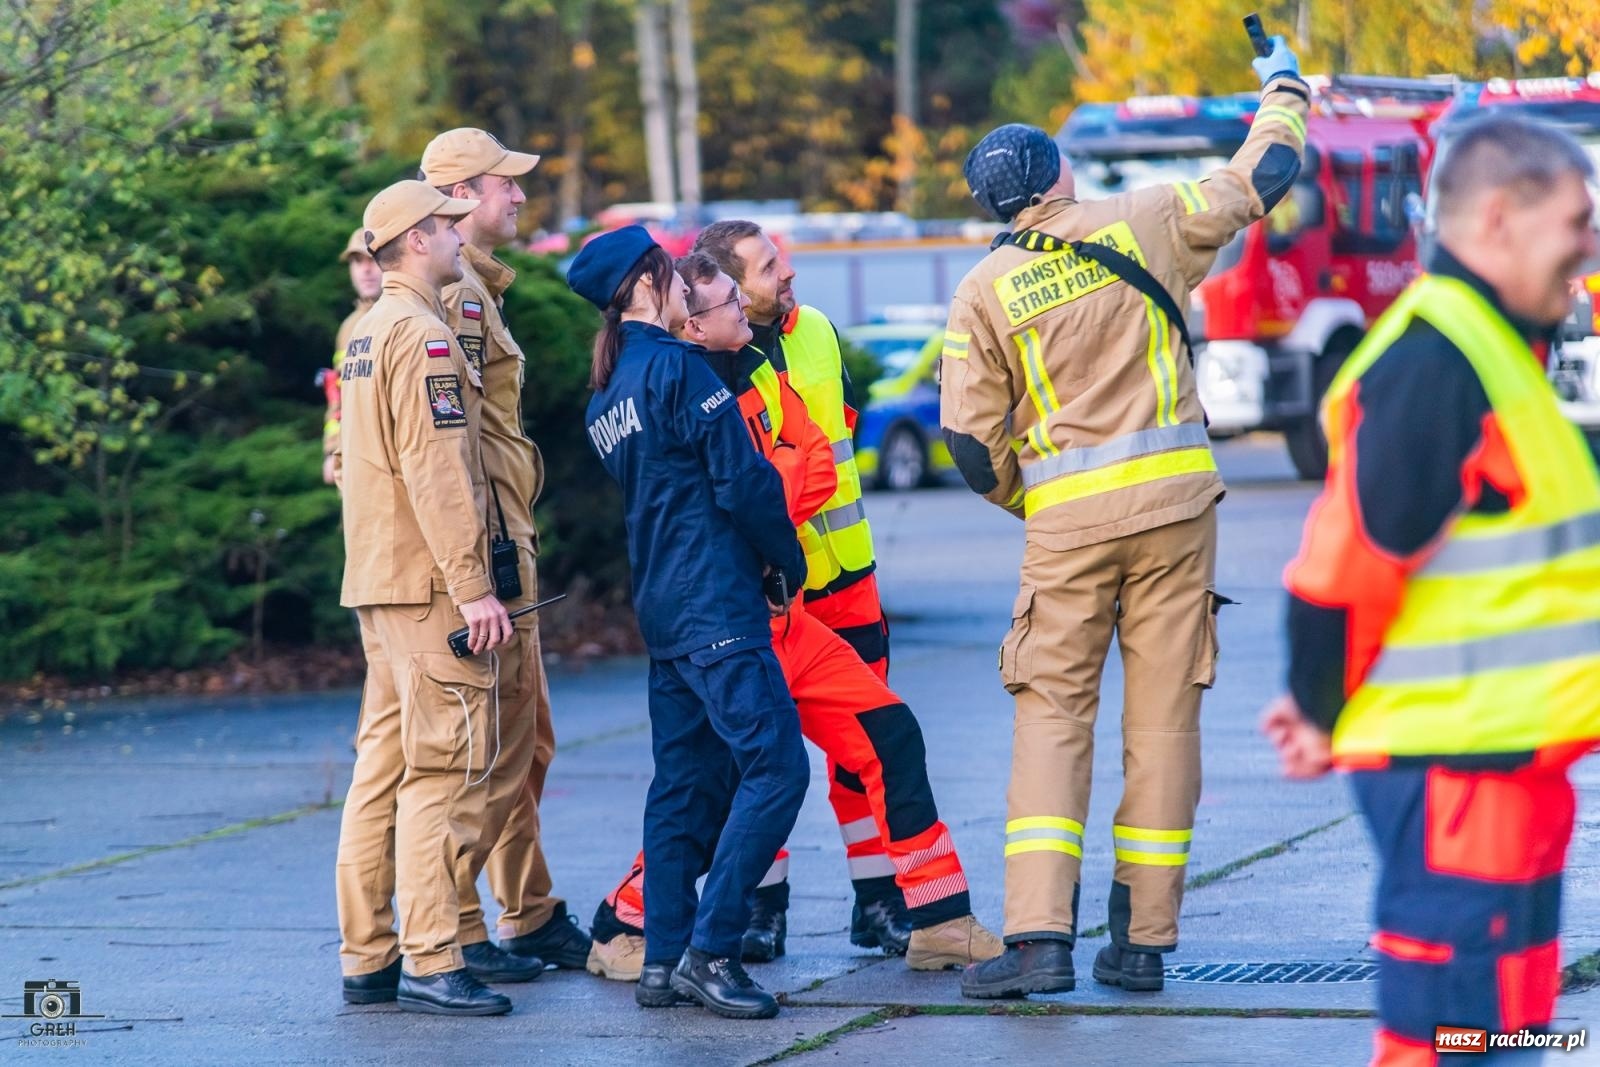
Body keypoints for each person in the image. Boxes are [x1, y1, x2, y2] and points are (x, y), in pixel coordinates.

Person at [945, 38, 1310, 998]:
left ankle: (1038, 942)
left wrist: (1043, 495)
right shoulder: (1148, 219)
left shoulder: (983, 290)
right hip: (1178, 514)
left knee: (1053, 719)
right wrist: (1284, 84)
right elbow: (1265, 170)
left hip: (1065, 530)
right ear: (1061, 174)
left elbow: (973, 449)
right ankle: (1142, 942)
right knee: (1164, 719)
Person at [1262, 114, 1600, 1064]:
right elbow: (1338, 573)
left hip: (1505, 771)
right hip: (1457, 776)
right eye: (1576, 221)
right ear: (1497, 218)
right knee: (1451, 1038)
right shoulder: (1436, 363)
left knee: (1503, 1029)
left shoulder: (1495, 355)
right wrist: (1319, 710)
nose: (1588, 246)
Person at [584, 253, 1002, 983]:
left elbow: (813, 461)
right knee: (717, 784)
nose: (742, 313)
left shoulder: (754, 366)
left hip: (777, 615)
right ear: (687, 314)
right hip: (735, 610)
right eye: (720, 303)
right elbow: (766, 486)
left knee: (886, 733)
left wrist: (781, 481)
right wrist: (780, 507)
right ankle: (635, 926)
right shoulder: (680, 378)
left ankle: (938, 917)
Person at [570, 226, 811, 1020]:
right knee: (777, 767)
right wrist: (786, 563)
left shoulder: (607, 391)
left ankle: (662, 960)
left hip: (665, 610)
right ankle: (712, 951)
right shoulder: (679, 368)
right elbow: (743, 483)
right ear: (647, 288)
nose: (680, 281)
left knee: (679, 786)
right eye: (668, 272)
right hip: (716, 604)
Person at [689, 220, 921, 960]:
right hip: (771, 600)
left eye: (782, 258)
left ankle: (879, 898)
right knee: (760, 756)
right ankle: (763, 908)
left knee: (862, 752)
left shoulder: (817, 330)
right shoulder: (713, 361)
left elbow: (843, 435)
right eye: (767, 267)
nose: (787, 273)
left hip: (848, 584)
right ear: (726, 286)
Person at [333, 180, 518, 1016]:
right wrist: (474, 587)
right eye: (443, 225)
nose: (455, 234)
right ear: (414, 239)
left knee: (380, 769)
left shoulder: (367, 332)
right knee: (441, 766)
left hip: (379, 580)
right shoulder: (425, 334)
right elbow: (440, 473)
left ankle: (367, 955)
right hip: (428, 586)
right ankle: (434, 956)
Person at [421, 127, 593, 973]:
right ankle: (455, 926)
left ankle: (527, 910)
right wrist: (484, 567)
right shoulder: (455, 300)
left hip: (506, 541)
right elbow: (455, 452)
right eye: (504, 184)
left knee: (527, 740)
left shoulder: (478, 289)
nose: (519, 196)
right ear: (457, 195)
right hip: (491, 551)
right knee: (489, 744)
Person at [319, 228, 383, 488]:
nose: (365, 270)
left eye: (372, 259)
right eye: (357, 262)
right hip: (354, 463)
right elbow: (338, 394)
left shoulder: (404, 314)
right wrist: (332, 450)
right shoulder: (348, 327)